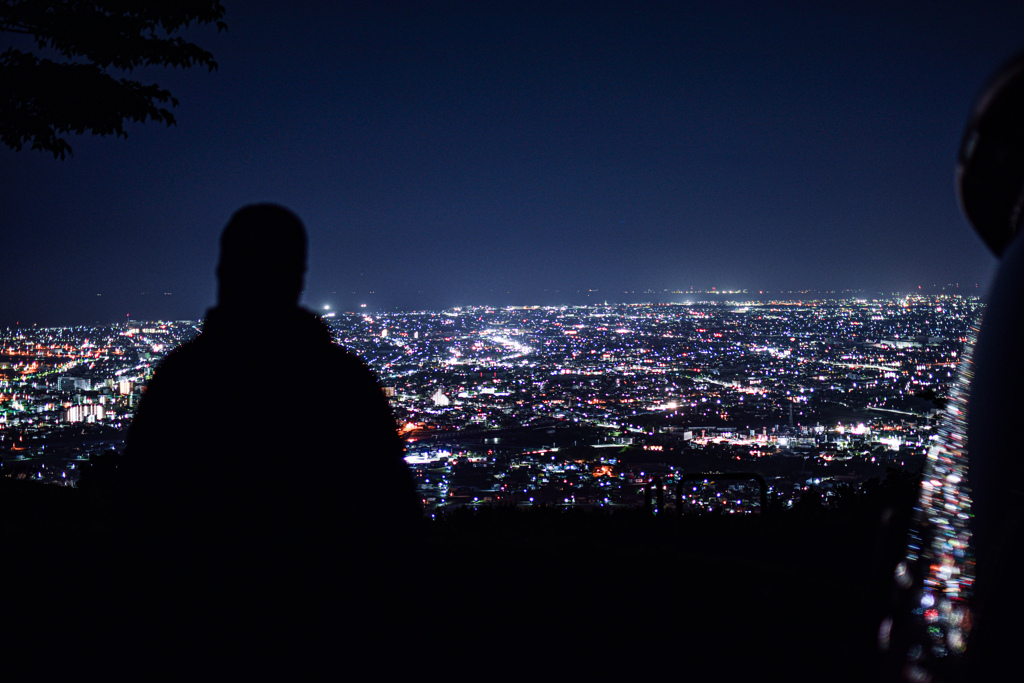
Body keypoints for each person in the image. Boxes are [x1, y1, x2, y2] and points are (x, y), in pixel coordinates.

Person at [123, 204, 420, 569]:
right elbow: (396, 517)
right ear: (297, 277)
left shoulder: (182, 381)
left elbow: (138, 512)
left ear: (223, 272)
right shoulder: (341, 381)